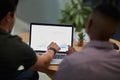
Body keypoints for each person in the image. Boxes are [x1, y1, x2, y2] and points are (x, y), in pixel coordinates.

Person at [55, 3, 120, 80]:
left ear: (89, 24)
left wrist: (76, 57)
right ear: (114, 31)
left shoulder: (70, 63)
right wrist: (77, 55)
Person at [0, 0, 60, 80]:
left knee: (30, 73)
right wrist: (52, 49)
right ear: (8, 17)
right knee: (32, 70)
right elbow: (43, 62)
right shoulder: (13, 45)